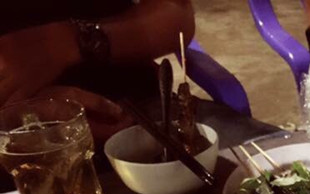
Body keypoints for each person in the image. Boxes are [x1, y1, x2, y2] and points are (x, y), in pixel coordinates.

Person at [0, 0, 196, 140]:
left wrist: (74, 40)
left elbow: (178, 17)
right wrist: (27, 118)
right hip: (18, 154)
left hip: (145, 120)